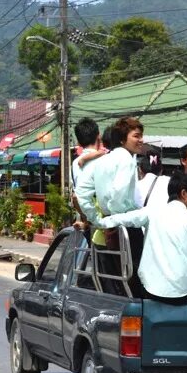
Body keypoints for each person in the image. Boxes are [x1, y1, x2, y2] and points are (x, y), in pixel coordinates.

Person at [95, 171, 187, 305]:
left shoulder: (152, 211)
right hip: (184, 291)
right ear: (184, 194)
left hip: (151, 288)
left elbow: (125, 219)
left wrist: (97, 222)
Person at [75, 116, 145, 294]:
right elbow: (119, 193)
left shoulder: (102, 161)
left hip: (107, 228)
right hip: (125, 227)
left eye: (141, 136)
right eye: (136, 136)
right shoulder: (127, 160)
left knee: (114, 285)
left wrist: (97, 219)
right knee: (133, 286)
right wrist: (116, 216)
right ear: (123, 139)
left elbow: (81, 192)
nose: (141, 140)